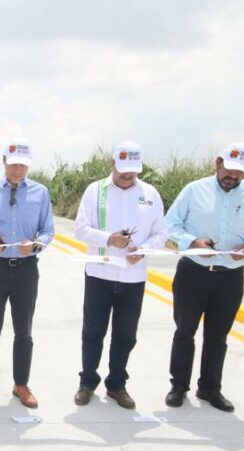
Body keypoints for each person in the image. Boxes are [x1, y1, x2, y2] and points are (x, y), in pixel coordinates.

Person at [163, 143, 244, 412]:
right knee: (185, 332)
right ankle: (178, 386)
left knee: (218, 336)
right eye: (229, 170)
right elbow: (170, 224)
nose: (233, 177)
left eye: (240, 173)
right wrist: (192, 241)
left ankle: (210, 389)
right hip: (193, 273)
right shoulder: (193, 190)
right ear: (218, 162)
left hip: (230, 277)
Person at [72, 141, 168, 409]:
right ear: (112, 164)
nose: (128, 177)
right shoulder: (95, 191)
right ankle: (87, 382)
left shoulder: (150, 193)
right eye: (123, 171)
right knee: (93, 332)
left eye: (133, 172)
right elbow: (80, 229)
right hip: (99, 274)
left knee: (125, 335)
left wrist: (145, 249)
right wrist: (108, 239)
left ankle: (117, 385)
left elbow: (161, 234)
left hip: (133, 277)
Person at [0, 139, 54, 408]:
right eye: (13, 164)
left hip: (26, 270)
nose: (17, 170)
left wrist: (37, 245)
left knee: (23, 331)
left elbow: (48, 230)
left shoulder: (40, 192)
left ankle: (21, 385)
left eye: (23, 165)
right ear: (4, 162)